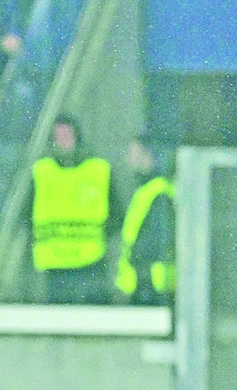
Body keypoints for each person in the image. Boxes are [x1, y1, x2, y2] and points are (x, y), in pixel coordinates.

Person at [28, 114, 123, 304]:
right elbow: (27, 215)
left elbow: (117, 214)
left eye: (67, 135)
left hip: (91, 263)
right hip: (54, 266)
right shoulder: (41, 171)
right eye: (59, 136)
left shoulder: (98, 170)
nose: (63, 141)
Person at [115, 136, 175, 306]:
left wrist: (142, 272)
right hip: (143, 282)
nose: (128, 158)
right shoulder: (146, 188)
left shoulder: (158, 190)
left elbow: (154, 240)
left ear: (146, 154)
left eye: (133, 152)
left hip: (151, 284)